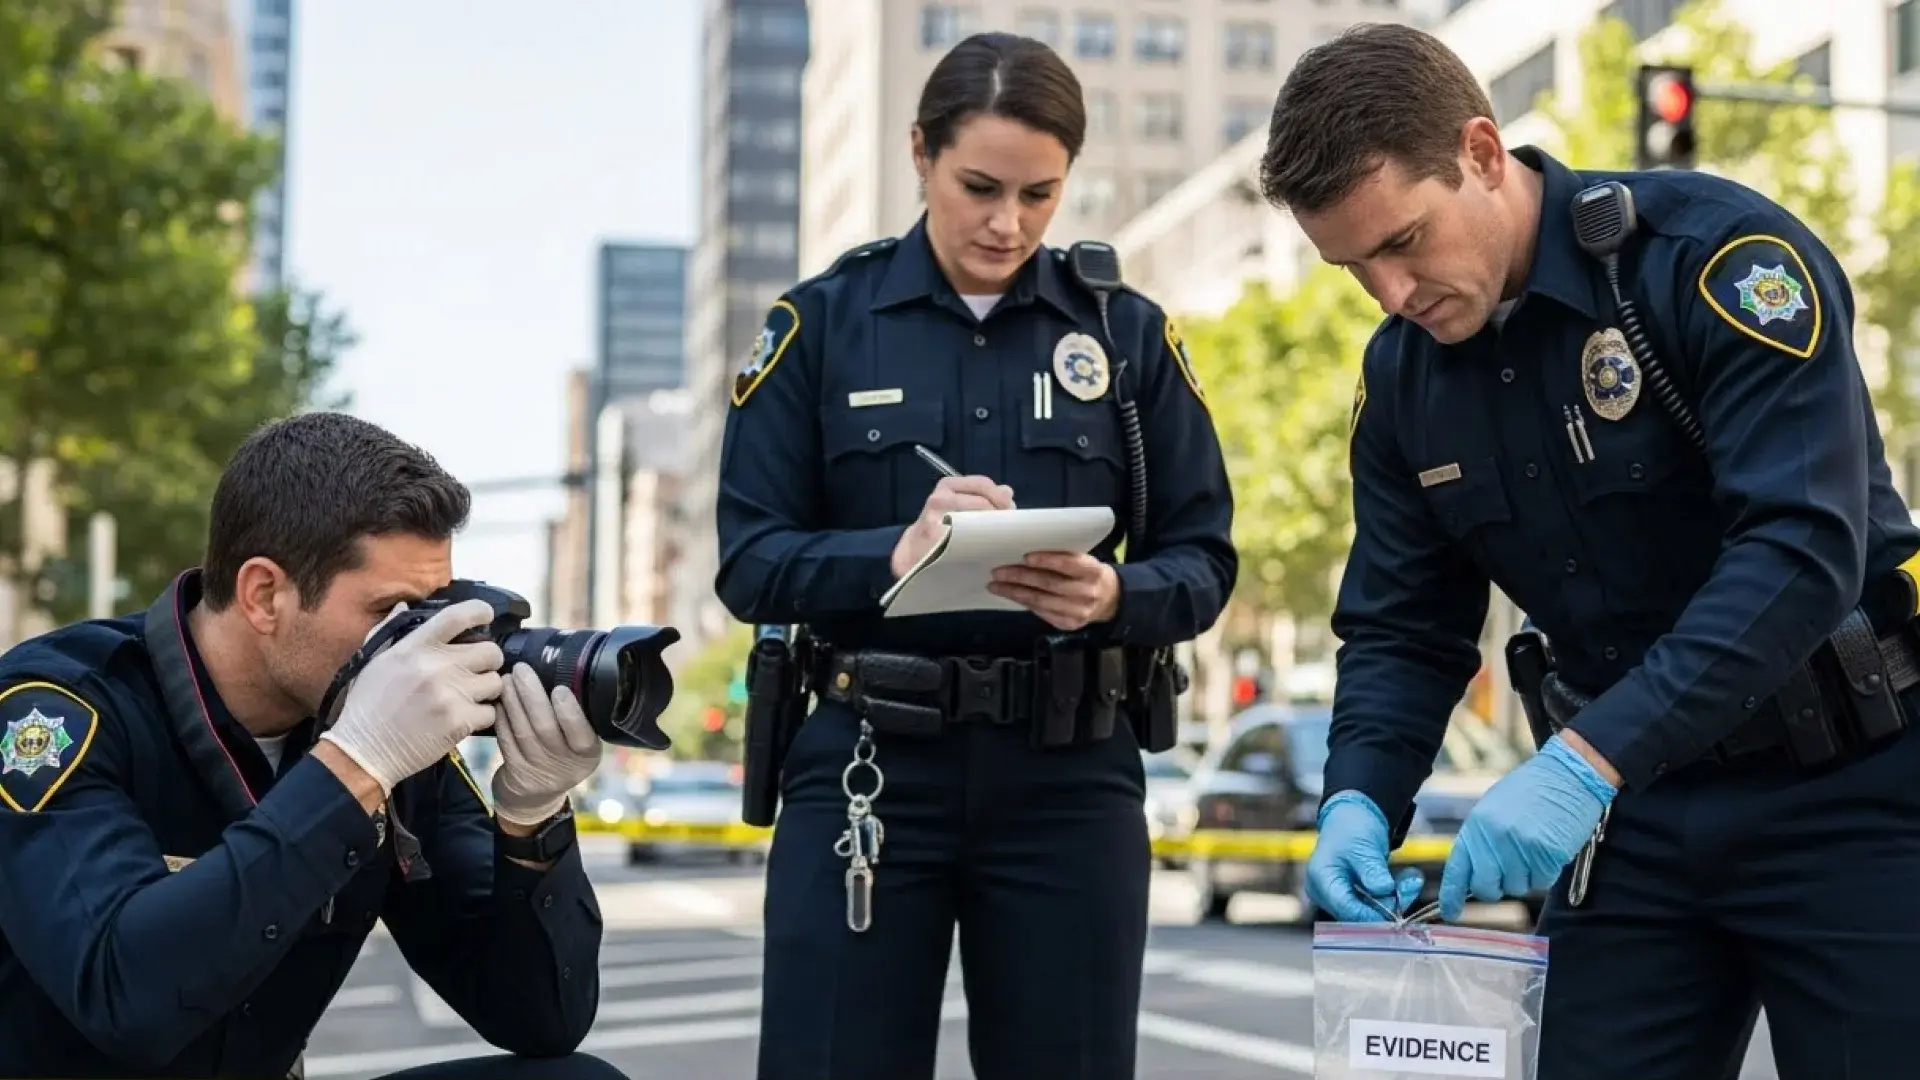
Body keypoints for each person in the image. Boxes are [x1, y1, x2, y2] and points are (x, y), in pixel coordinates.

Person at [1262, 22, 1920, 1080]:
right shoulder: (1403, 382)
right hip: (1632, 823)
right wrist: (1356, 797)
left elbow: (1801, 549)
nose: (1390, 295)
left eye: (1404, 243)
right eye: (1353, 268)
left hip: (1849, 791)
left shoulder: (1712, 264)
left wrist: (1585, 760)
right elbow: (1403, 628)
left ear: (1481, 153)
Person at [714, 31, 1235, 1080]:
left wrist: (1113, 595)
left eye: (1040, 195)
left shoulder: (1125, 334)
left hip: (1069, 772)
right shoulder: (820, 326)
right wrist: (893, 553)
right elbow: (750, 562)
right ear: (920, 151)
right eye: (980, 187)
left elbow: (1205, 559)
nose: (1008, 223)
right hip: (868, 758)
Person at [0, 413, 629, 1080]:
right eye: (391, 613)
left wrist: (532, 817)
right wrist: (354, 766)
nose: (420, 647)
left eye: (431, 611)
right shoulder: (55, 709)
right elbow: (126, 995)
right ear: (264, 594)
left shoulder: (387, 729)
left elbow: (539, 1020)